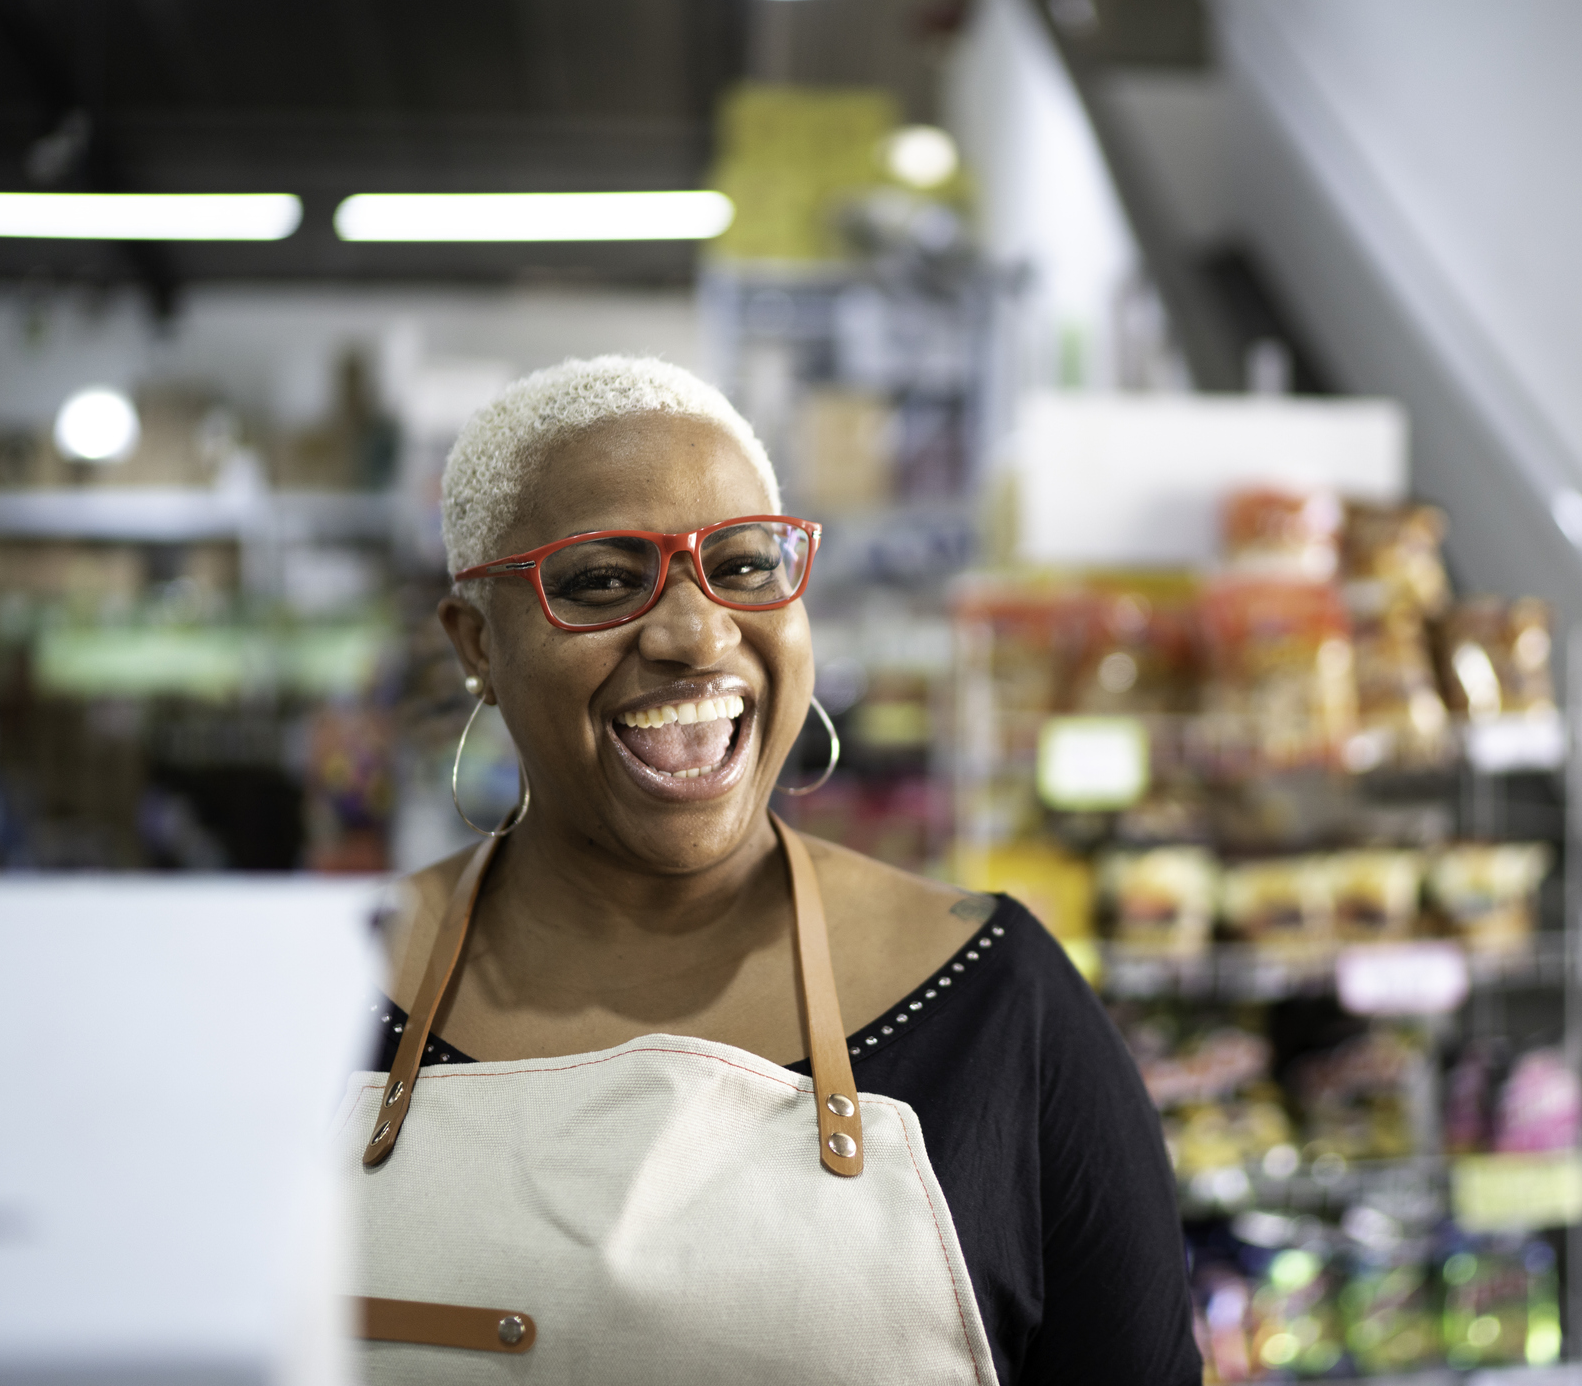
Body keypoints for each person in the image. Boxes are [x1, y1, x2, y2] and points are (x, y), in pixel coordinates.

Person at [344, 356, 1199, 1385]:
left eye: (743, 566)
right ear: (476, 641)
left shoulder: (996, 999)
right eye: (604, 581)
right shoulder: (322, 995)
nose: (696, 633)